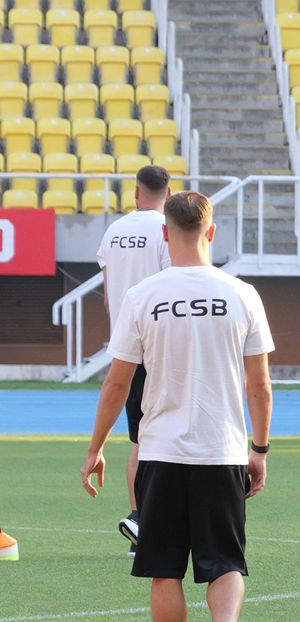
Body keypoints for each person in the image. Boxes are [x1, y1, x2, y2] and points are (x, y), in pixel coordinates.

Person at [81, 191, 275, 622]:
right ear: (211, 233)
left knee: (164, 569)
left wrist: (97, 448)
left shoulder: (143, 295)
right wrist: (260, 449)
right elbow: (260, 386)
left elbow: (116, 386)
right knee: (227, 562)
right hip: (223, 450)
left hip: (161, 453)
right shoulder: (242, 294)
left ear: (165, 235)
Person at [97, 165, 172, 557]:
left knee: (139, 436)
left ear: (136, 192)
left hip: (126, 346)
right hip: (159, 346)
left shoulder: (113, 232)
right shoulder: (166, 229)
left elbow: (110, 297)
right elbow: (168, 289)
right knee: (164, 433)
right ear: (169, 191)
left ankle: (140, 519)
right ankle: (149, 521)